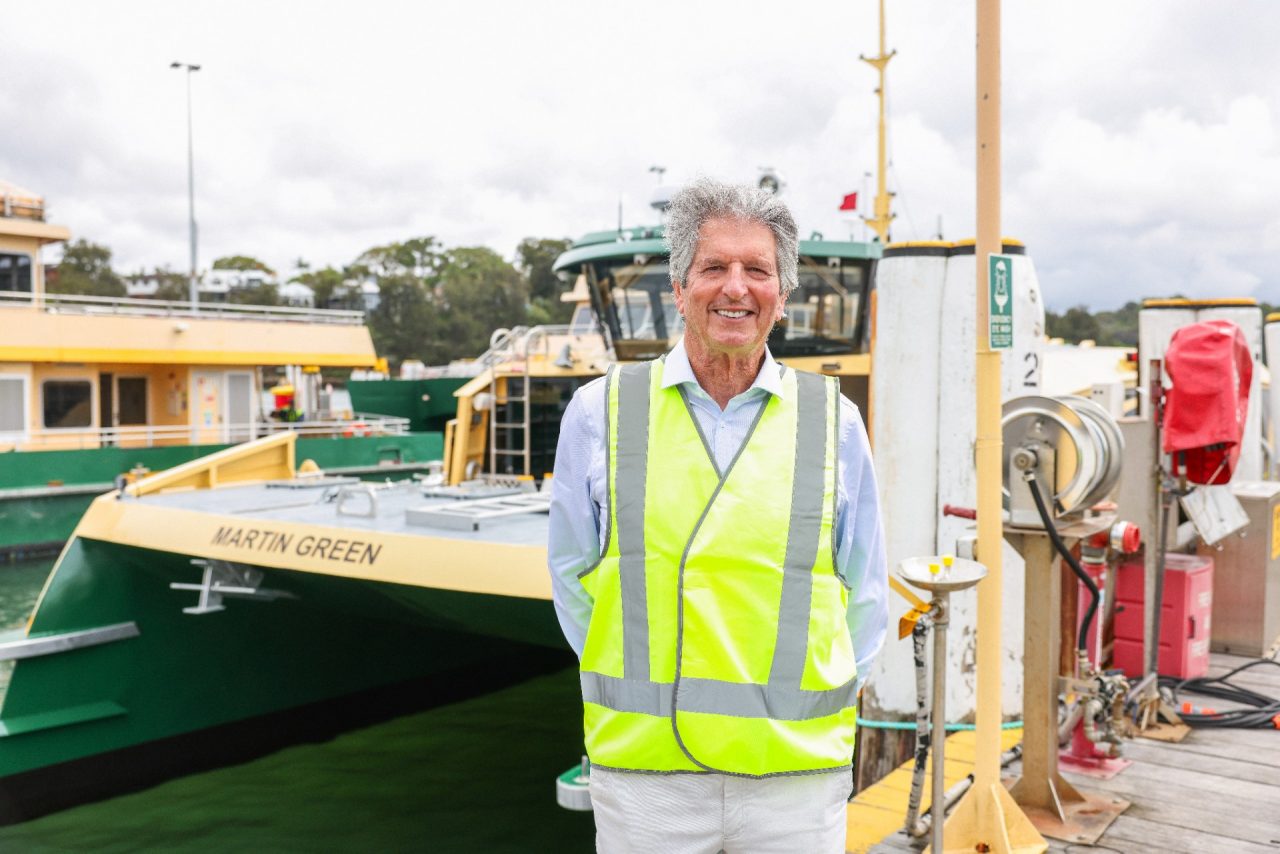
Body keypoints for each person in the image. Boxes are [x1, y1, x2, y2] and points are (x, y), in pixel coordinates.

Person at [548, 178, 888, 853]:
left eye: (757, 270)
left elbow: (867, 598)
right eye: (714, 268)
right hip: (648, 778)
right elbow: (570, 581)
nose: (736, 287)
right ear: (679, 287)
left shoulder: (835, 423)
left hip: (793, 776)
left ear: (781, 296)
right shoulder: (598, 413)